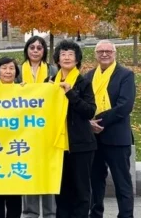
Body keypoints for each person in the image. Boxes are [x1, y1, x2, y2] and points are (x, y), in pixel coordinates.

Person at [88, 41, 135, 218]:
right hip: (94, 139)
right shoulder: (89, 76)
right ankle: (95, 214)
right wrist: (88, 123)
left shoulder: (125, 75)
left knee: (122, 182)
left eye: (108, 51)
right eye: (100, 51)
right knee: (95, 181)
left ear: (115, 53)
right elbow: (84, 104)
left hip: (117, 138)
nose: (104, 54)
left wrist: (97, 121)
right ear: (95, 54)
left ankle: (125, 215)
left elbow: (125, 106)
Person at [50, 41, 96, 218]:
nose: (67, 57)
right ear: (57, 59)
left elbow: (89, 111)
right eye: (63, 54)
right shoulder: (51, 83)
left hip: (81, 146)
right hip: (58, 146)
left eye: (71, 54)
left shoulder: (84, 82)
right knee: (61, 191)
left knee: (81, 191)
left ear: (77, 59)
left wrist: (71, 94)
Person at [21, 36, 57, 218]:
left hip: (47, 128)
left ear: (44, 51)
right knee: (29, 171)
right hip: (23, 130)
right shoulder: (18, 71)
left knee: (47, 171)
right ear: (27, 49)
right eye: (32, 47)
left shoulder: (53, 70)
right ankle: (30, 212)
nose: (35, 51)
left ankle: (50, 213)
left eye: (39, 48)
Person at [0, 57, 24, 218]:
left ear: (16, 72)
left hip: (15, 151)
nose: (8, 71)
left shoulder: (24, 92)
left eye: (11, 68)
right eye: (4, 68)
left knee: (14, 196)